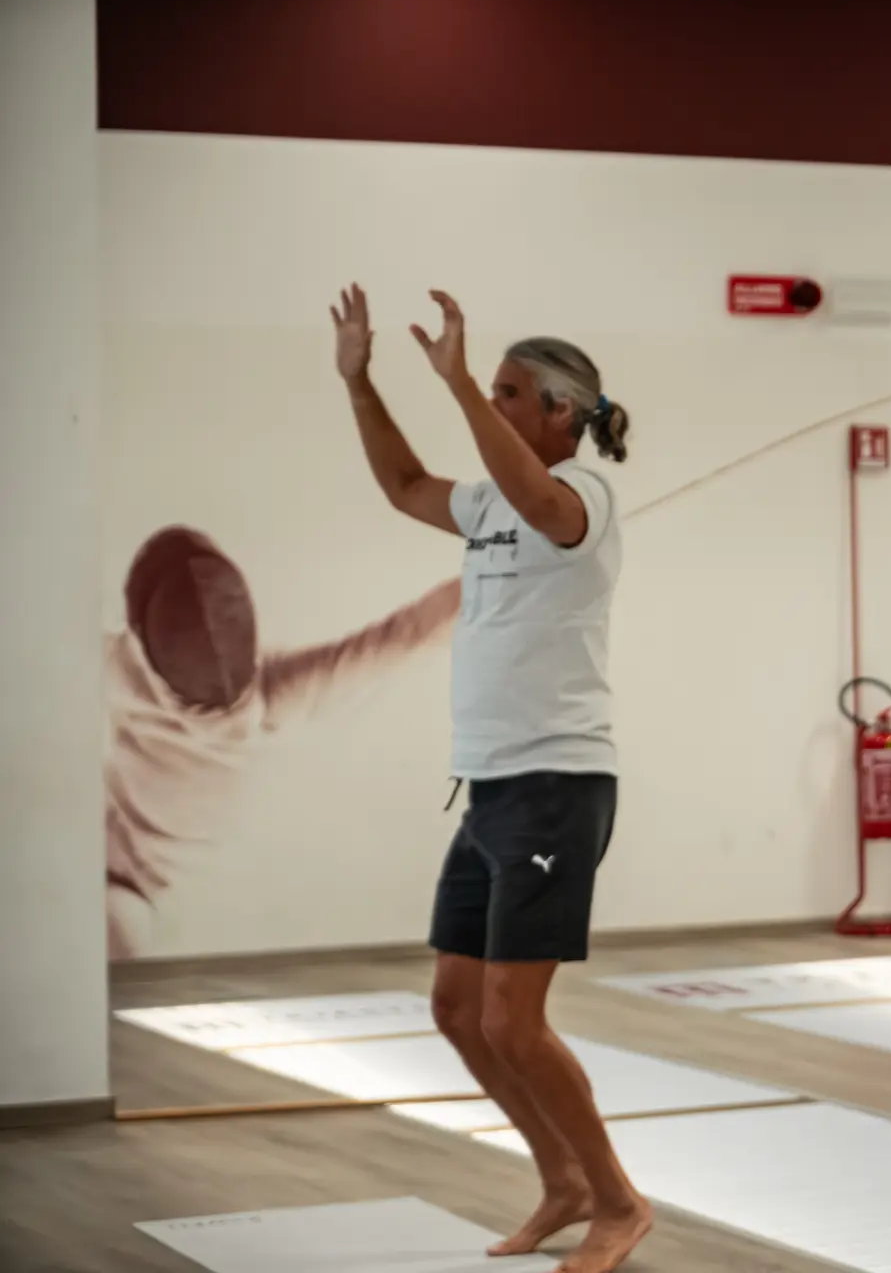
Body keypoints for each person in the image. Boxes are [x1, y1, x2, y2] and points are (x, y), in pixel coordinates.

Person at [331, 283, 648, 1273]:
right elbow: (404, 485)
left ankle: (619, 1201)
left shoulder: (585, 498)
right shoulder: (486, 505)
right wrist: (359, 382)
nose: (494, 404)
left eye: (511, 393)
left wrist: (459, 381)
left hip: (557, 785)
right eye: (494, 390)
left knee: (513, 1017)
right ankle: (561, 1181)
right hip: (489, 788)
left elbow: (538, 501)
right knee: (458, 1009)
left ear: (561, 411)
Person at [105, 526, 459, 960]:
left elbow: (406, 635)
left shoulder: (117, 665)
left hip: (135, 893)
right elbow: (405, 636)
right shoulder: (269, 694)